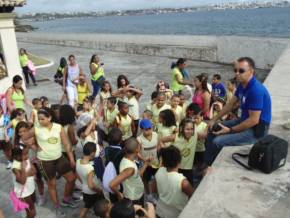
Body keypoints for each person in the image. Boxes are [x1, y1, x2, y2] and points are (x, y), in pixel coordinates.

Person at [206, 57, 272, 165]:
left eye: (241, 71)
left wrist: (230, 130)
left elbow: (254, 120)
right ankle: (206, 163)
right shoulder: (242, 85)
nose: (237, 73)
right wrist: (213, 119)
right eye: (235, 70)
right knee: (212, 128)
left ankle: (210, 168)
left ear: (251, 71)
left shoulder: (256, 90)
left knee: (217, 142)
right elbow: (230, 105)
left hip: (256, 130)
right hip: (244, 121)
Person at [23, 107, 77, 217]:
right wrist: (34, 148)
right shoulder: (36, 128)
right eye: (38, 119)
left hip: (59, 158)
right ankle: (57, 208)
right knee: (52, 185)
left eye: (42, 119)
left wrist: (71, 158)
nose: (40, 121)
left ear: (50, 118)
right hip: (45, 161)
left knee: (72, 178)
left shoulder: (58, 127)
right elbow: (24, 138)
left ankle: (66, 199)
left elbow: (66, 144)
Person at [155, 146, 194, 218]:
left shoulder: (159, 171)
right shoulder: (182, 181)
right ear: (179, 162)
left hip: (160, 211)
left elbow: (155, 189)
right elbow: (195, 196)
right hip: (176, 215)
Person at [14, 121, 46, 206]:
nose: (22, 133)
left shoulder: (33, 138)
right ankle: (33, 196)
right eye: (20, 132)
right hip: (26, 164)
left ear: (28, 130)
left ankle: (42, 196)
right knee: (30, 180)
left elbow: (38, 150)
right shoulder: (18, 142)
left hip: (37, 162)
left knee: (38, 180)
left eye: (24, 131)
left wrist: (30, 145)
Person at [110, 138, 147, 205]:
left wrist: (146, 164)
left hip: (136, 195)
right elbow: (111, 184)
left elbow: (136, 175)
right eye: (139, 145)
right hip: (134, 198)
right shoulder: (129, 169)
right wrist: (119, 194)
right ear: (137, 150)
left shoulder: (127, 157)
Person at [76, 142, 104, 218]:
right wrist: (99, 191)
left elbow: (77, 175)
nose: (95, 154)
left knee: (87, 207)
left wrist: (83, 182)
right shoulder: (90, 168)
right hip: (92, 192)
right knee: (102, 207)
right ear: (92, 153)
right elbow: (91, 185)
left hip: (84, 190)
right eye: (95, 152)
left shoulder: (78, 161)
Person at [137, 119, 160, 201]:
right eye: (146, 129)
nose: (149, 131)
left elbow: (158, 147)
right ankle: (148, 194)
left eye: (150, 128)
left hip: (156, 163)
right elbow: (137, 153)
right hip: (145, 164)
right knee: (146, 180)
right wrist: (144, 159)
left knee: (158, 178)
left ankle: (156, 193)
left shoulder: (156, 135)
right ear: (141, 129)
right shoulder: (139, 139)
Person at [11, 145, 37, 218]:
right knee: (32, 212)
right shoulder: (15, 167)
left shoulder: (26, 159)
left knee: (31, 210)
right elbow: (22, 181)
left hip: (30, 188)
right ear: (17, 156)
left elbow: (34, 171)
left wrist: (25, 174)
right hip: (24, 193)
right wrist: (23, 169)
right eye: (25, 154)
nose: (27, 156)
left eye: (27, 153)